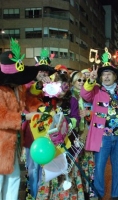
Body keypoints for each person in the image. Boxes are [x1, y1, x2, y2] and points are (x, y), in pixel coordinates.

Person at [0, 38, 55, 200]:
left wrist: (41, 109)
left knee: (14, 178)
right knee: (2, 180)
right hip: (1, 144)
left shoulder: (18, 88)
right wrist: (24, 116)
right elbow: (2, 117)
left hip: (12, 144)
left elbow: (29, 100)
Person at [35, 70, 86, 199]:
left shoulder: (72, 101)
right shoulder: (46, 99)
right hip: (49, 145)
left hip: (68, 142)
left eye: (65, 86)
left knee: (67, 171)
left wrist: (67, 121)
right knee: (51, 172)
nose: (62, 90)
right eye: (59, 85)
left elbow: (76, 118)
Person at [80, 65, 118, 200]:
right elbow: (84, 94)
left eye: (109, 74)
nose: (106, 77)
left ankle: (117, 194)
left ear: (115, 77)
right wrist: (90, 80)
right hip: (102, 136)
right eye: (104, 74)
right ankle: (98, 193)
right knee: (99, 166)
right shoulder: (96, 90)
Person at [70, 71, 94, 199]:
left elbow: (96, 111)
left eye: (84, 80)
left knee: (86, 166)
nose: (82, 83)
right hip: (74, 135)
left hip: (87, 134)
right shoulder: (69, 97)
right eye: (79, 80)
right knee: (75, 166)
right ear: (73, 82)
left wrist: (89, 113)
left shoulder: (88, 96)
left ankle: (86, 192)